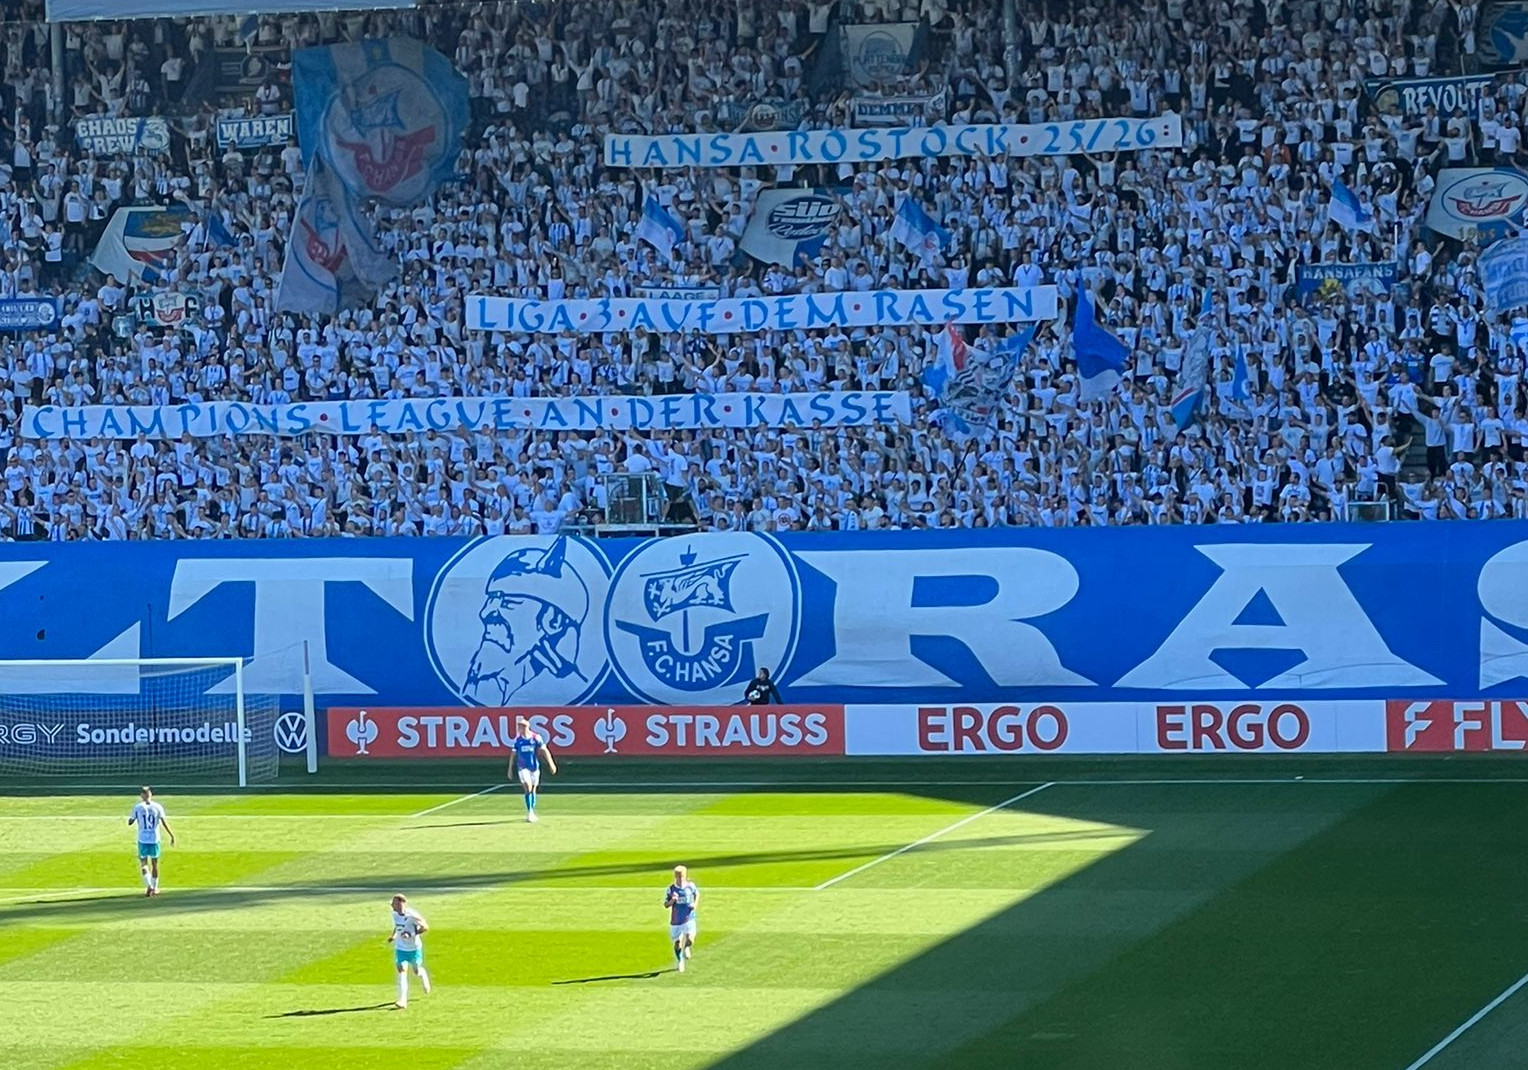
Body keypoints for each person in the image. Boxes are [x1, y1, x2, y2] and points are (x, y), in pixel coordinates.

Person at [128, 786, 176, 897]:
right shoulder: (158, 807)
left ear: (142, 795)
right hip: (155, 839)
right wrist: (171, 835)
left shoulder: (138, 807)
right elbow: (163, 822)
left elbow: (130, 821)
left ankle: (149, 885)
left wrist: (132, 820)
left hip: (142, 839)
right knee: (155, 864)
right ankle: (155, 888)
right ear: (151, 794)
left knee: (144, 863)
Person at [509, 715, 557, 823]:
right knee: (528, 787)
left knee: (533, 789)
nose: (519, 729)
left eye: (520, 727)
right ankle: (530, 812)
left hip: (534, 767)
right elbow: (513, 754)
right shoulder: (518, 740)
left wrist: (551, 764)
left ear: (525, 727)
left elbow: (544, 750)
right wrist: (510, 769)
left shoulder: (536, 738)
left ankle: (532, 810)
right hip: (522, 767)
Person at [387, 893, 432, 1009]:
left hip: (414, 948)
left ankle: (424, 977)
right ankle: (402, 1000)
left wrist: (412, 933)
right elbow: (397, 926)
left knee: (416, 970)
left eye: (394, 903)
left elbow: (425, 927)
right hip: (400, 948)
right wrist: (394, 936)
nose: (392, 905)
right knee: (402, 971)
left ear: (400, 903)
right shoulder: (394, 914)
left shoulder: (412, 915)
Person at [664, 864, 700, 973]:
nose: (680, 878)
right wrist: (672, 901)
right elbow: (666, 904)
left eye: (682, 876)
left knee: (690, 939)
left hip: (689, 918)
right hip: (676, 921)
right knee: (677, 943)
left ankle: (687, 947)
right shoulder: (671, 889)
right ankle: (680, 960)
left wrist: (695, 904)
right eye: (678, 876)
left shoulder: (690, 886)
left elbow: (697, 894)